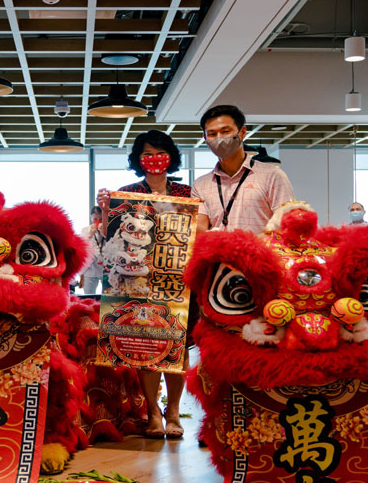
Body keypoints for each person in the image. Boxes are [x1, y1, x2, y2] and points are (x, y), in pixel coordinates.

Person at [95, 129, 190, 439]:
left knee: (178, 347)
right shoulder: (128, 191)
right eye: (147, 153)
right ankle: (153, 412)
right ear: (138, 159)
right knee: (144, 344)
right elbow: (112, 234)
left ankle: (173, 410)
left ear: (171, 156)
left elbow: (200, 230)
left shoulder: (186, 193)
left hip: (177, 280)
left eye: (160, 152)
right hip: (137, 281)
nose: (154, 159)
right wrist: (108, 209)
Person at [191, 105, 295, 233]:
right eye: (212, 134)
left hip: (260, 252)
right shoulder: (200, 185)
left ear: (242, 132)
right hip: (218, 252)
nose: (219, 138)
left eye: (226, 132)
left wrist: (247, 243)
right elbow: (200, 229)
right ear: (205, 138)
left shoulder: (272, 176)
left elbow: (287, 227)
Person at [79, 206, 105, 294]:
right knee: (89, 296)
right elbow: (81, 246)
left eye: (100, 219)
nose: (98, 221)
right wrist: (90, 234)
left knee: (107, 296)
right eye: (95, 219)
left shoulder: (107, 230)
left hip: (104, 269)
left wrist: (104, 233)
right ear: (91, 218)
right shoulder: (85, 230)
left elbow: (114, 246)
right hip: (90, 269)